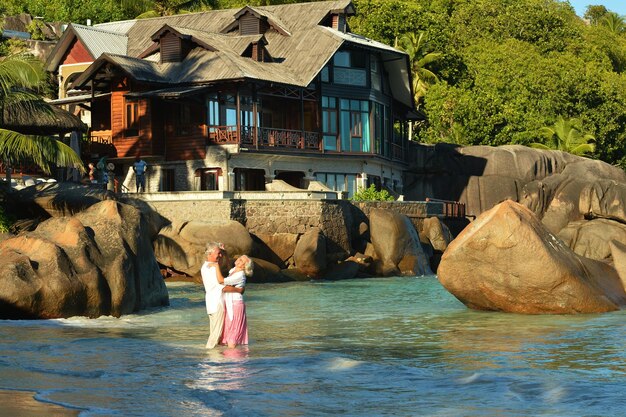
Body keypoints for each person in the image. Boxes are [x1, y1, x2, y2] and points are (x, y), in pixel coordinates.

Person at [200, 242, 243, 349]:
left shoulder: (207, 266)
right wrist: (238, 290)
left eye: (220, 254)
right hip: (216, 304)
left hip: (211, 304)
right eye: (218, 253)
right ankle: (211, 360)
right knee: (216, 335)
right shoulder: (212, 268)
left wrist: (223, 251)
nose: (220, 256)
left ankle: (216, 360)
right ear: (210, 254)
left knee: (216, 335)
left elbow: (227, 267)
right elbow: (222, 286)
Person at [220, 255, 252, 348]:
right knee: (228, 330)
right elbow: (227, 264)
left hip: (235, 304)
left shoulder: (240, 275)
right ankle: (229, 358)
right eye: (239, 258)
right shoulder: (233, 270)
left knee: (233, 333)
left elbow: (222, 281)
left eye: (241, 260)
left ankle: (234, 358)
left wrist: (214, 266)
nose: (238, 259)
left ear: (244, 266)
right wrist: (224, 252)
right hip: (230, 303)